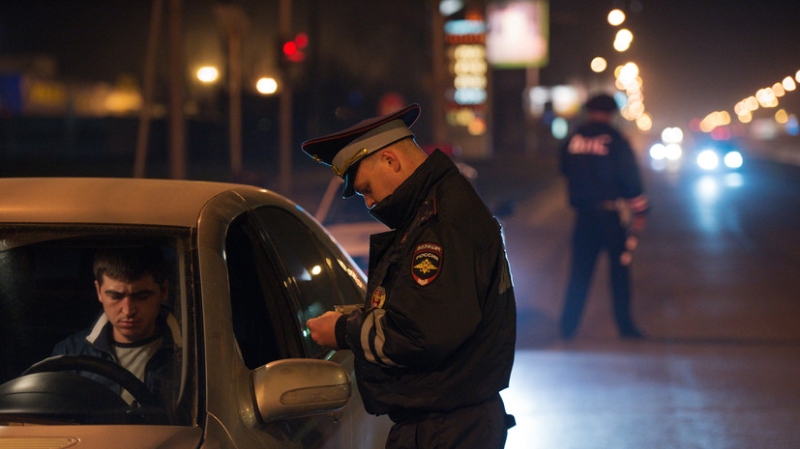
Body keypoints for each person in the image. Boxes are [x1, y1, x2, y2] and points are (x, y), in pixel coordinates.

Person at [302, 103, 517, 449]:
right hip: (450, 422)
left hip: (446, 429)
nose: (369, 203)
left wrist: (342, 331)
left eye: (367, 188)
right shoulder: (437, 207)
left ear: (390, 160)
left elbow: (422, 334)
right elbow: (427, 309)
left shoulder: (440, 220)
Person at [558, 93, 650, 339]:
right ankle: (625, 326)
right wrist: (640, 209)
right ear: (611, 114)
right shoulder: (616, 141)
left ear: (589, 112)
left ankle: (567, 327)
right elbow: (629, 178)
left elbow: (564, 169)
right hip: (610, 216)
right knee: (619, 272)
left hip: (583, 215)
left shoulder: (573, 139)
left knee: (579, 272)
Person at [52, 245, 180, 406]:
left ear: (164, 291)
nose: (128, 311)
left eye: (141, 297)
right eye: (115, 297)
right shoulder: (70, 353)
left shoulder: (191, 353)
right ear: (99, 291)